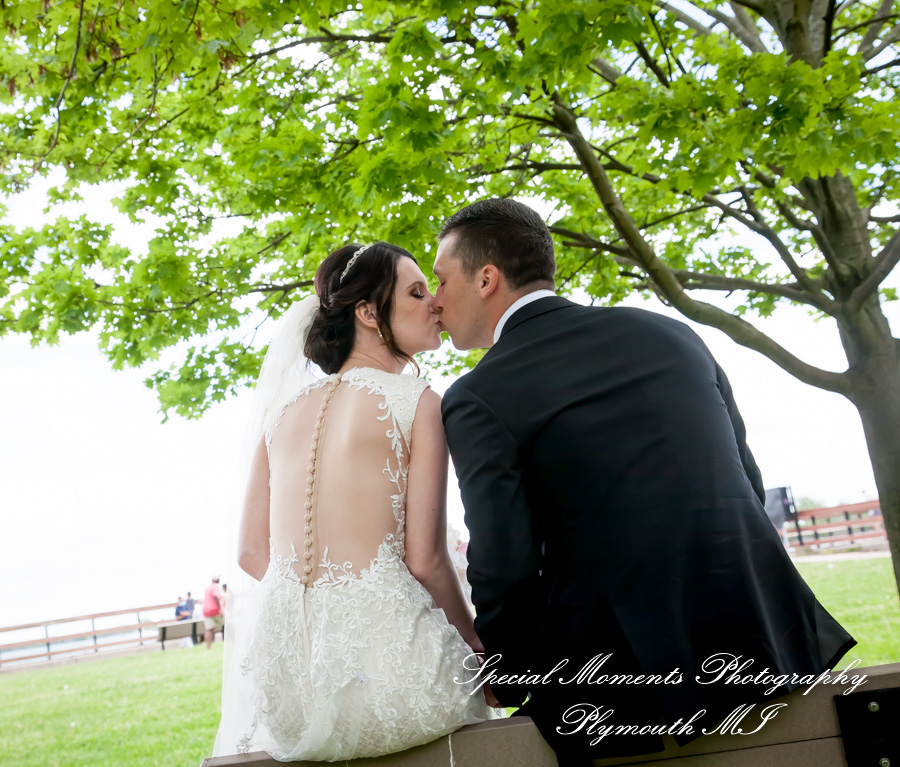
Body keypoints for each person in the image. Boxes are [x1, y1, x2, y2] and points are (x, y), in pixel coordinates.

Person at [433, 198, 856, 765]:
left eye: (440, 279)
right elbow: (747, 484)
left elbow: (504, 565)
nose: (435, 300)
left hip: (626, 680)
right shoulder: (670, 334)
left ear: (486, 279)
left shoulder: (478, 395)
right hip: (766, 632)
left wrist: (511, 678)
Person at [211, 242, 491, 761]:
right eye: (415, 291)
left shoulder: (280, 412)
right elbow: (425, 559)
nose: (434, 303)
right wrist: (475, 645)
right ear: (367, 312)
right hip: (394, 679)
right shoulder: (417, 401)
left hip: (289, 692)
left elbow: (251, 554)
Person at [203, 576, 224, 649]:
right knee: (229, 624)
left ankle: (208, 647)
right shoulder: (215, 587)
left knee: (209, 629)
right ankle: (234, 642)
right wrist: (220, 609)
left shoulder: (208, 588)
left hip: (206, 612)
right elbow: (215, 596)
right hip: (215, 611)